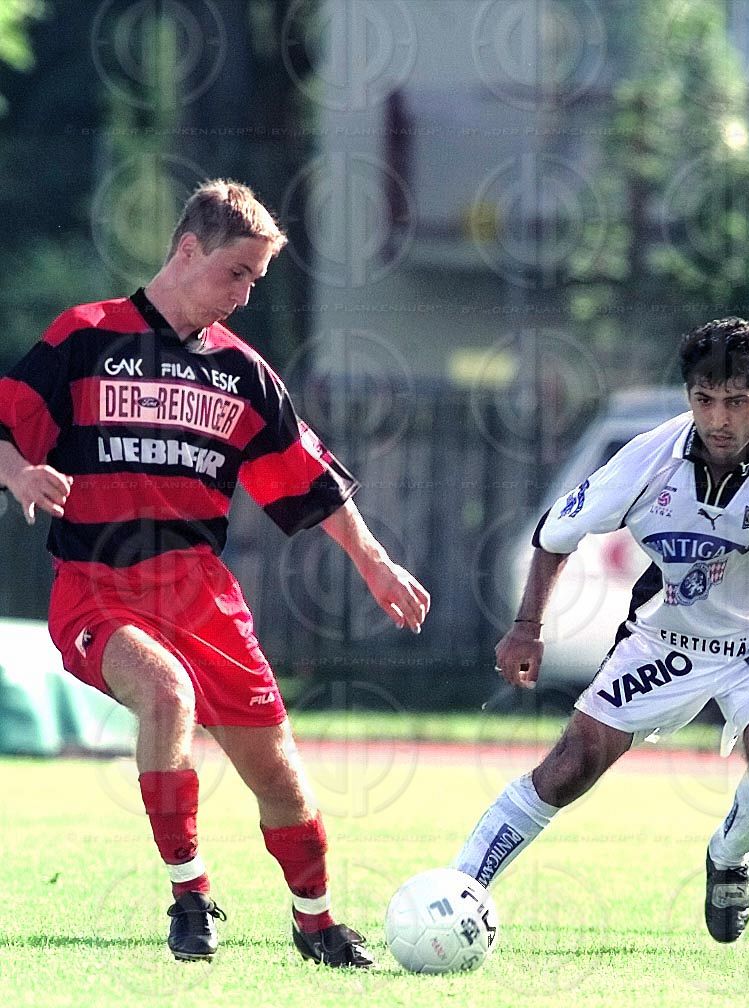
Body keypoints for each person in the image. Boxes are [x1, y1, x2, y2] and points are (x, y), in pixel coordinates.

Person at [0, 180, 430, 966]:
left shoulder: (242, 373)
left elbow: (310, 480)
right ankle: (190, 897)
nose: (244, 294)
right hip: (96, 588)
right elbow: (4, 426)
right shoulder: (85, 336)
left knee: (281, 780)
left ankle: (317, 924)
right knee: (167, 694)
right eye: (237, 273)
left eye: (256, 281)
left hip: (202, 598)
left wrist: (375, 564)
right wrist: (20, 472)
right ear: (189, 248)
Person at [451, 317, 749, 943]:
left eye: (736, 401)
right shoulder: (647, 458)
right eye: (704, 399)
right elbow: (556, 535)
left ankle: (728, 855)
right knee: (571, 765)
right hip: (667, 640)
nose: (719, 419)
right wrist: (527, 625)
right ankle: (457, 891)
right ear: (689, 395)